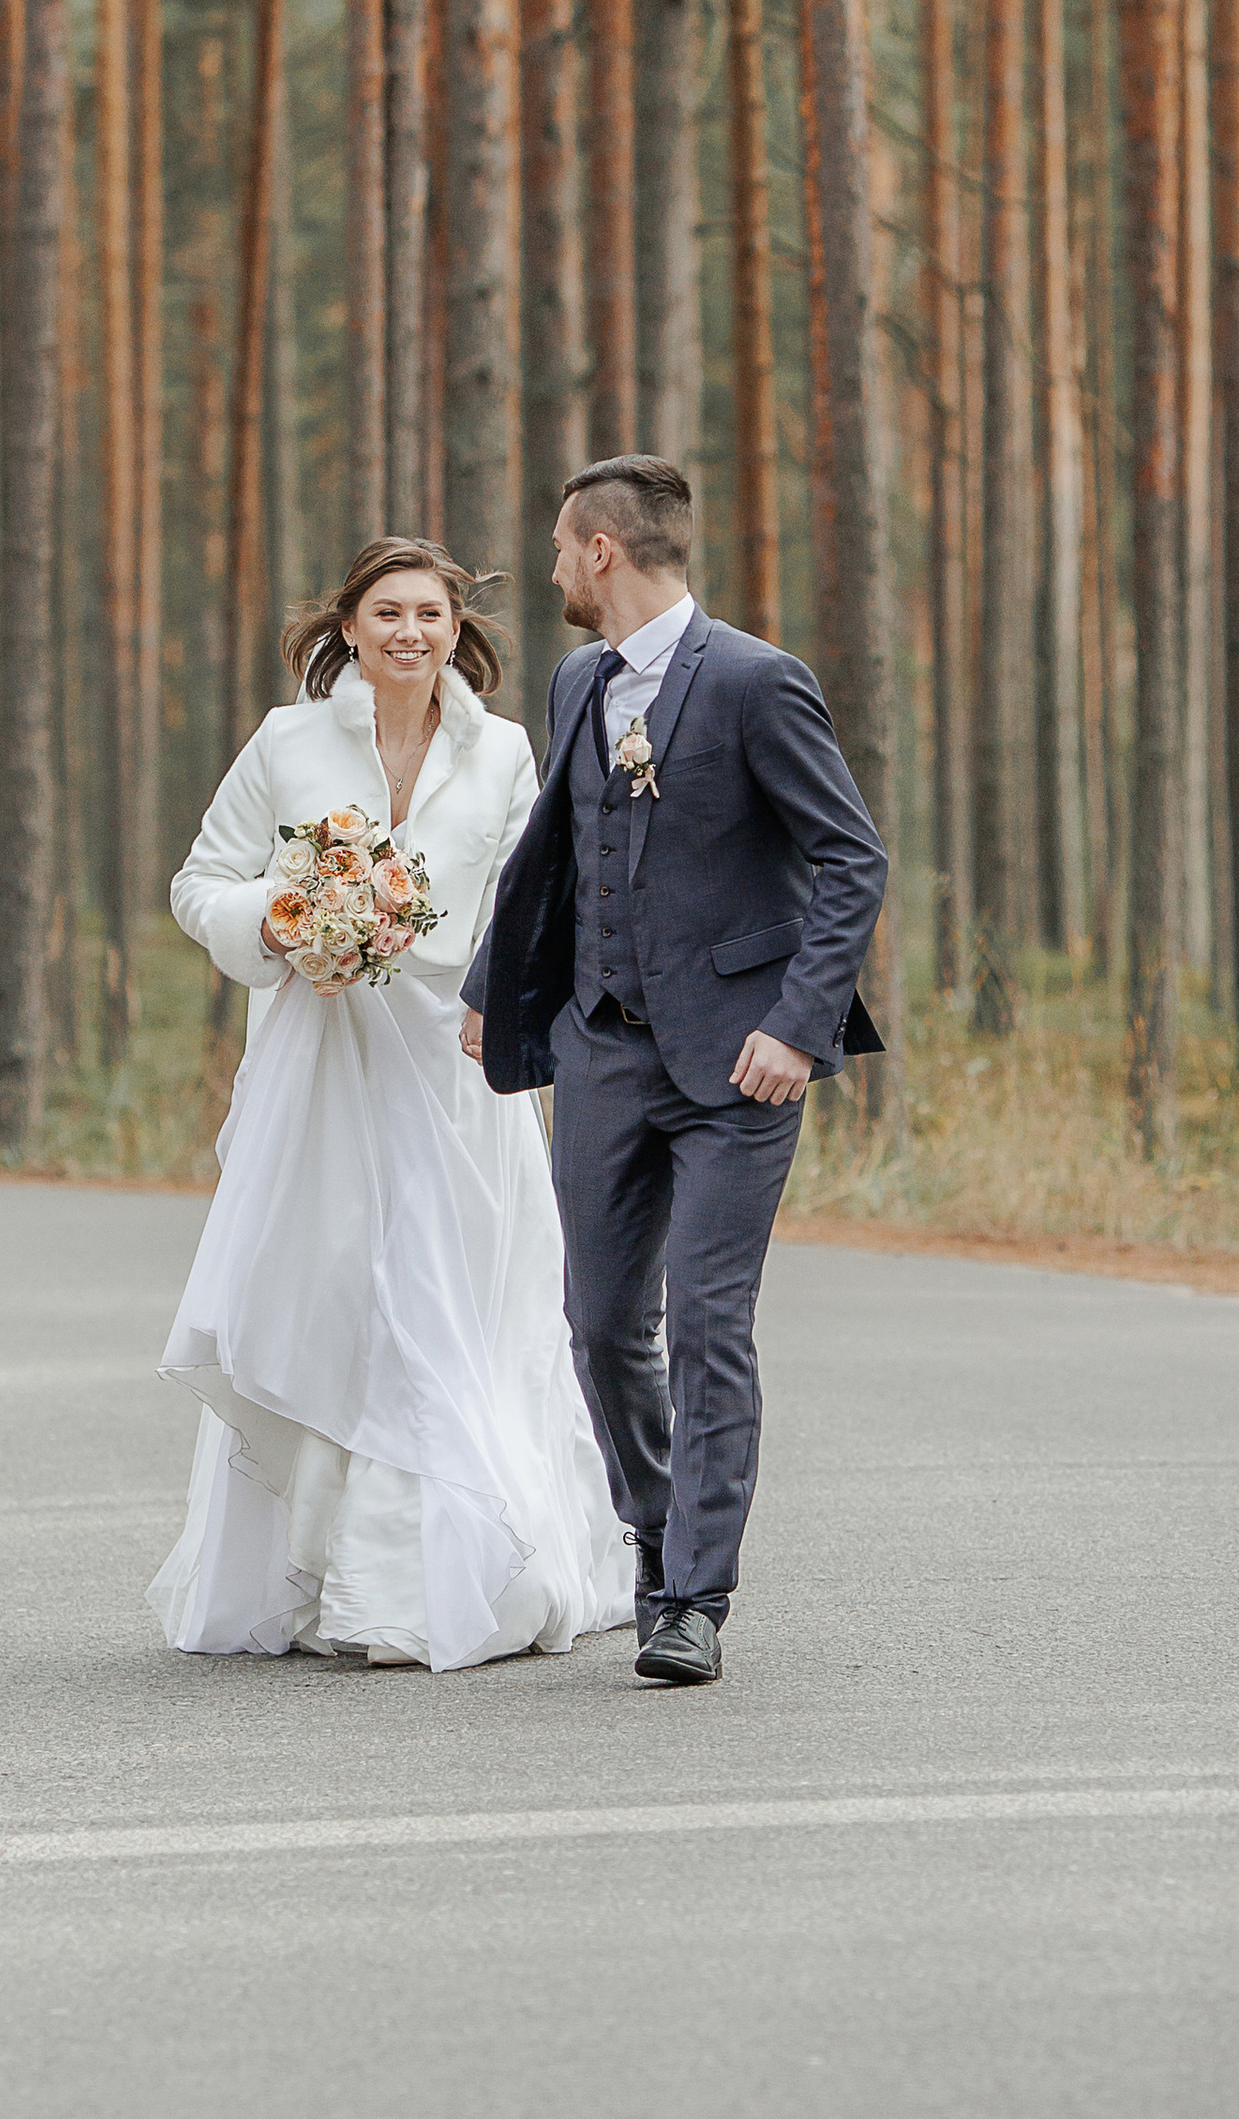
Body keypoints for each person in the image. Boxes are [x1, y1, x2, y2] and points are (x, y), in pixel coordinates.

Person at [148, 538, 634, 1674]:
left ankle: (464, 1573)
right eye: (387, 613)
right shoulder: (286, 741)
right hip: (322, 1057)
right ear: (349, 628)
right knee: (333, 1294)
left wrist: (503, 1002)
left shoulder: (507, 752)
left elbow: (536, 897)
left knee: (454, 1297)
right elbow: (199, 882)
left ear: (458, 632)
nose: (410, 632)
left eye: (430, 614)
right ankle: (324, 1581)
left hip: (457, 1059)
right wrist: (281, 920)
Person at [460, 453, 887, 1688]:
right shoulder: (575, 681)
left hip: (740, 1065)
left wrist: (797, 1027)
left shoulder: (758, 683)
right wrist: (499, 983)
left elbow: (849, 860)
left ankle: (694, 1596)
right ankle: (653, 1524)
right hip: (600, 1047)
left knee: (705, 1324)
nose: (549, 569)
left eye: (556, 548)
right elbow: (554, 843)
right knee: (597, 1326)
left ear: (601, 550)